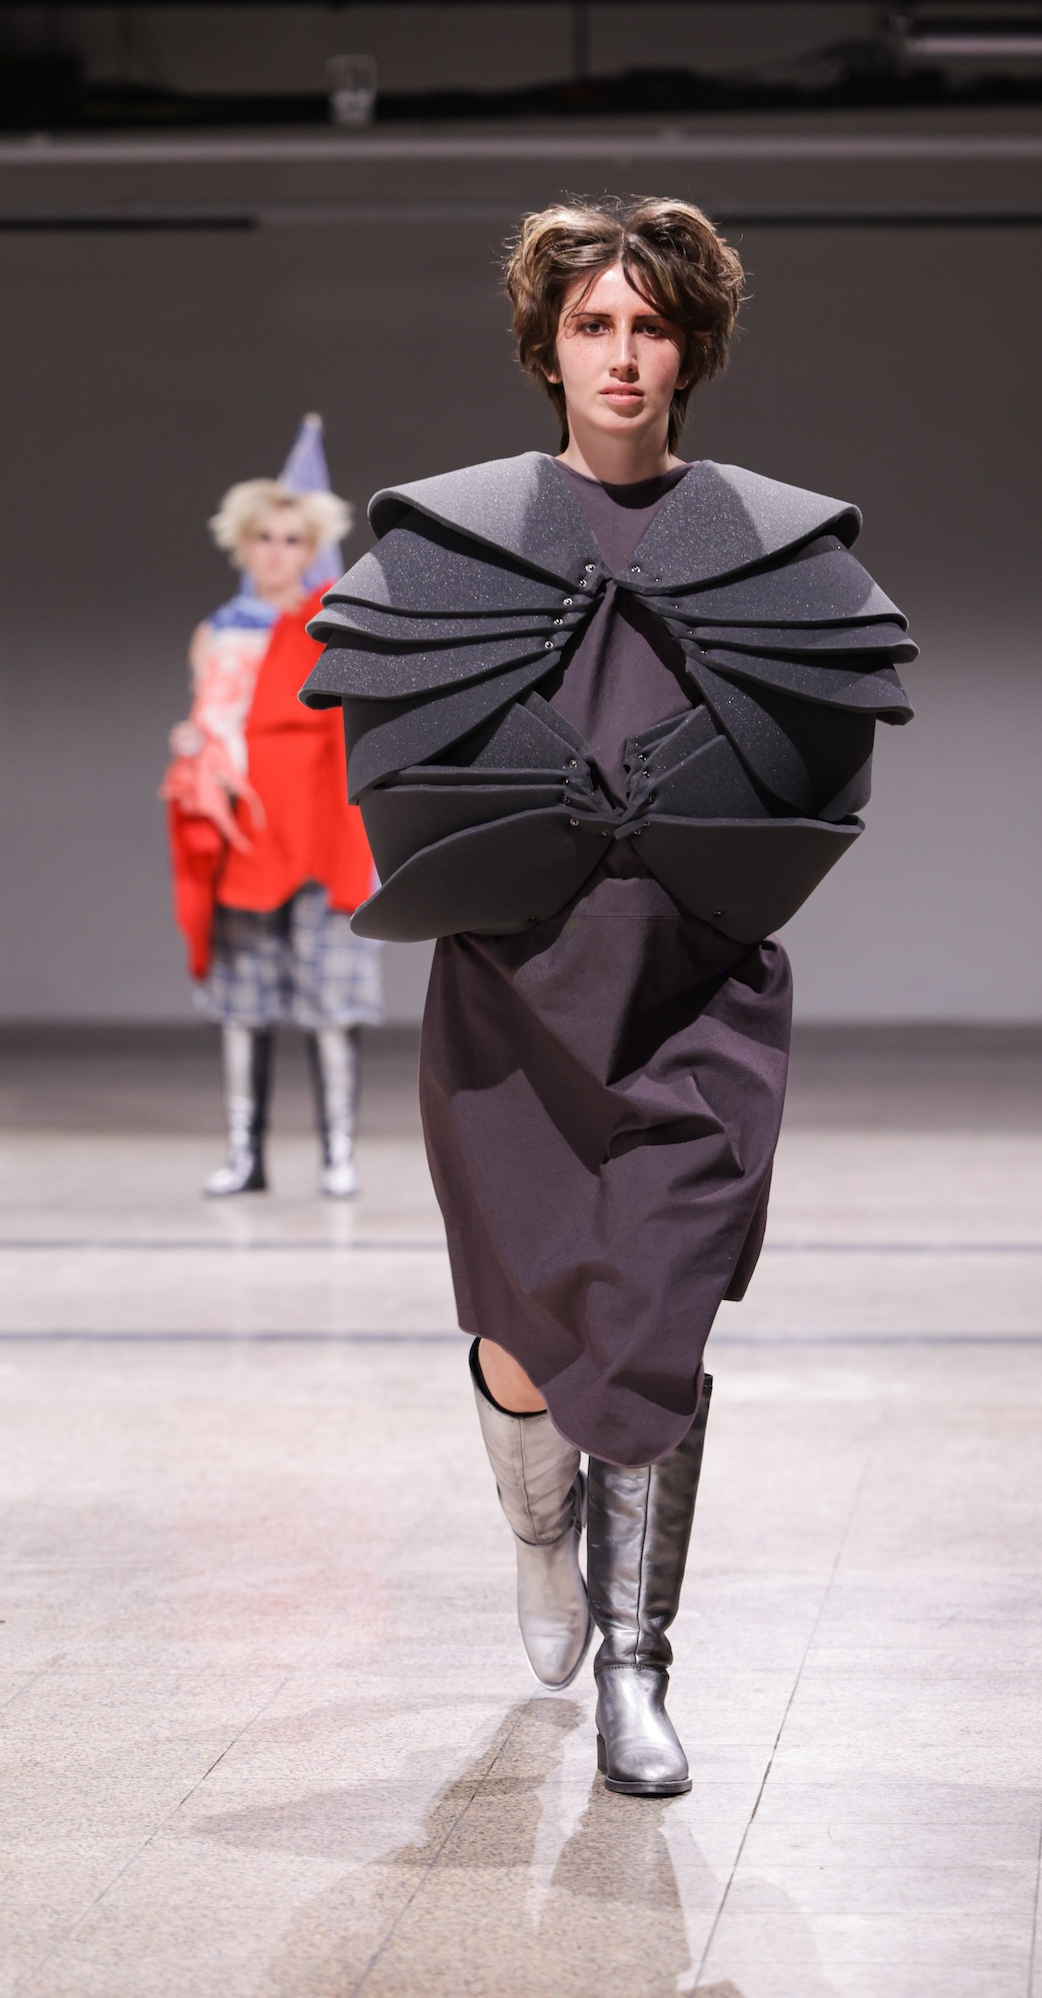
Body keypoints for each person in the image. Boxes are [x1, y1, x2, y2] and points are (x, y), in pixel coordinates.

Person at [300, 199, 917, 1792]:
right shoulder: (458, 542)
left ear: (690, 348)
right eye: (592, 325)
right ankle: (538, 1534)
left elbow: (819, 763)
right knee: (523, 1341)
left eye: (650, 326)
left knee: (655, 1325)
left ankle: (640, 1669)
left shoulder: (768, 546)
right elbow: (393, 752)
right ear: (548, 348)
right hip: (513, 992)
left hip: (697, 991)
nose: (622, 355)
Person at [162, 428, 382, 1199]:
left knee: (334, 1000)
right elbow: (212, 723)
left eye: (293, 539)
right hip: (249, 836)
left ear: (312, 546)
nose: (277, 552)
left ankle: (338, 1154)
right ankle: (244, 1152)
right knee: (244, 1001)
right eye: (265, 537)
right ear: (243, 543)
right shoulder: (219, 633)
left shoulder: (334, 625)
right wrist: (194, 749)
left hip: (322, 831)